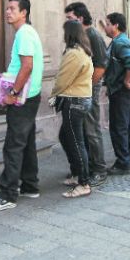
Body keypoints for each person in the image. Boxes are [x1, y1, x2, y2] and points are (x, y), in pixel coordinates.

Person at [0, 0, 44, 212]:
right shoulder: (26, 32)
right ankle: (30, 185)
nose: (7, 12)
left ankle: (7, 194)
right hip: (30, 96)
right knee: (26, 142)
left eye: (12, 8)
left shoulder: (24, 33)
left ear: (23, 12)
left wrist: (13, 93)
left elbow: (27, 66)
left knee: (13, 145)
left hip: (23, 98)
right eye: (6, 8)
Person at [64, 2, 109, 186]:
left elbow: (101, 66)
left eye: (70, 18)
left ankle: (99, 169)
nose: (67, 22)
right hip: (78, 91)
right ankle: (84, 168)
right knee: (79, 131)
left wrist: (88, 86)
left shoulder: (93, 35)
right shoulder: (79, 37)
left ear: (80, 18)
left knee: (91, 129)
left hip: (89, 90)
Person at [51, 20, 94, 198]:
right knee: (66, 137)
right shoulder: (82, 50)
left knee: (76, 142)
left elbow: (63, 79)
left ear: (69, 33)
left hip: (74, 101)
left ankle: (83, 183)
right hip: (81, 99)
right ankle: (77, 174)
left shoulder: (74, 53)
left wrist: (53, 94)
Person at [104, 12, 130, 174]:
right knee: (126, 125)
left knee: (119, 127)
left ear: (115, 25)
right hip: (119, 89)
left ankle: (122, 163)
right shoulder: (117, 41)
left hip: (121, 91)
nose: (105, 27)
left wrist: (126, 81)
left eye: (107, 24)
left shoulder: (120, 42)